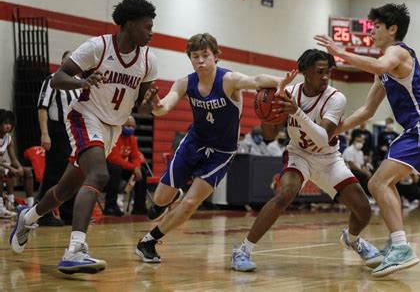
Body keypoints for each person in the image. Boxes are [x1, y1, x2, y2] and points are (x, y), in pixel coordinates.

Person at [10, 0, 160, 275]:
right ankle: (75, 250)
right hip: (84, 117)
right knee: (99, 175)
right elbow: (57, 79)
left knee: (65, 190)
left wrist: (149, 103)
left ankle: (27, 218)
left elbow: (141, 107)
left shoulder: (148, 60)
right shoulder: (98, 47)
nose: (151, 33)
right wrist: (83, 81)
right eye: (147, 27)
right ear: (128, 24)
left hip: (113, 128)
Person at [135, 32, 297, 263]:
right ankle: (169, 198)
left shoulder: (228, 80)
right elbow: (164, 108)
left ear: (216, 56)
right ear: (190, 59)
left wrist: (283, 82)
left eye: (205, 55)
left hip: (221, 152)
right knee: (160, 199)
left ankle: (148, 241)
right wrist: (156, 105)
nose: (200, 60)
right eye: (195, 56)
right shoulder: (184, 83)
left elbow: (256, 80)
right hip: (193, 144)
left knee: (191, 203)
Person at [315, 3, 420, 277]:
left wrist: (340, 52)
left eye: (376, 26)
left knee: (377, 182)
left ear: (392, 29)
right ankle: (395, 242)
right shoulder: (382, 69)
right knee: (385, 183)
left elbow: (378, 63)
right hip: (419, 129)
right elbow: (367, 110)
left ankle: (402, 248)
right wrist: (335, 129)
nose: (372, 31)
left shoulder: (397, 52)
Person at [231, 49, 382, 272]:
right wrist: (268, 111)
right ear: (305, 73)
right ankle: (242, 250)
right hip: (298, 154)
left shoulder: (336, 98)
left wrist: (297, 112)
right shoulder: (289, 93)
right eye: (319, 72)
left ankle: (352, 240)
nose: (325, 76)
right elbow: (270, 136)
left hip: (328, 159)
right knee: (285, 195)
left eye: (327, 72)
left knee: (364, 211)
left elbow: (323, 138)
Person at [36, 50, 81, 226]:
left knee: (73, 173)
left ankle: (69, 214)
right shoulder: (52, 80)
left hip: (75, 131)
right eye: (68, 60)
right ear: (62, 62)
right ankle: (43, 214)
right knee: (53, 173)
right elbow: (42, 107)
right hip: (57, 130)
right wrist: (45, 133)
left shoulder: (79, 83)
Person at [104, 115, 148, 216]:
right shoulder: (114, 137)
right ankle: (110, 206)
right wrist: (133, 167)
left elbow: (135, 157)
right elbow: (113, 158)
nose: (130, 128)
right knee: (115, 169)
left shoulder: (132, 139)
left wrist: (136, 168)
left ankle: (139, 207)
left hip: (123, 167)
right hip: (109, 166)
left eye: (133, 126)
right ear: (121, 125)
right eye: (128, 125)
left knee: (143, 171)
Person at [0, 109, 35, 211]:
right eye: (5, 123)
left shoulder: (8, 138)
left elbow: (13, 159)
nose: (8, 126)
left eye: (10, 124)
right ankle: (1, 206)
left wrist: (19, 168)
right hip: (1, 167)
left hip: (3, 165)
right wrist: (12, 168)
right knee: (2, 171)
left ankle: (30, 205)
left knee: (27, 171)